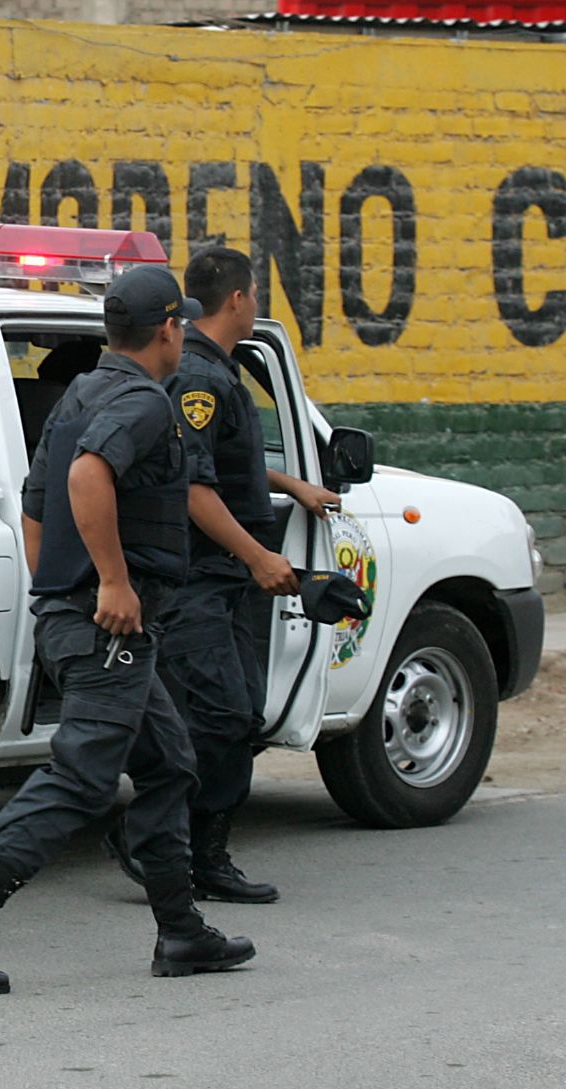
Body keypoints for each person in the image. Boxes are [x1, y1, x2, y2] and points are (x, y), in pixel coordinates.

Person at [0, 266, 255, 993]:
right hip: (109, 627)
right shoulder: (142, 403)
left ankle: (181, 930)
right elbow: (85, 477)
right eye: (181, 323)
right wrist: (109, 581)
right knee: (83, 774)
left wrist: (58, 597)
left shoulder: (78, 394)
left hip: (84, 624)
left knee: (169, 763)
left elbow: (35, 506)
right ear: (169, 328)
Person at [103, 247, 340, 904]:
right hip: (201, 580)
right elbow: (191, 486)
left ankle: (201, 854)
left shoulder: (215, 371)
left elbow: (220, 465)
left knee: (231, 715)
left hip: (224, 581)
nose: (257, 303)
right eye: (256, 294)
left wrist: (294, 483)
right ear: (239, 298)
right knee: (222, 715)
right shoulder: (200, 380)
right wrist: (260, 557)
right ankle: (153, 837)